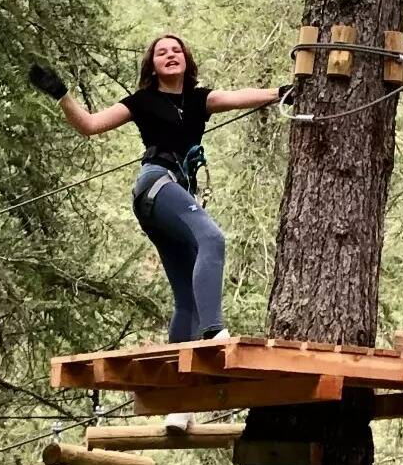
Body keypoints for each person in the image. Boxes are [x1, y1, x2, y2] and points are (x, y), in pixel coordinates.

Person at [28, 35, 284, 430]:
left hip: (170, 198)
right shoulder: (142, 101)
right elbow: (91, 125)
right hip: (156, 184)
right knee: (212, 239)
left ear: (186, 60)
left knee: (186, 299)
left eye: (176, 50)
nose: (170, 55)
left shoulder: (199, 100)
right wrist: (62, 94)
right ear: (152, 65)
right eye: (161, 52)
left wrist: (281, 92)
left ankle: (176, 403)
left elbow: (239, 96)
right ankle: (215, 333)